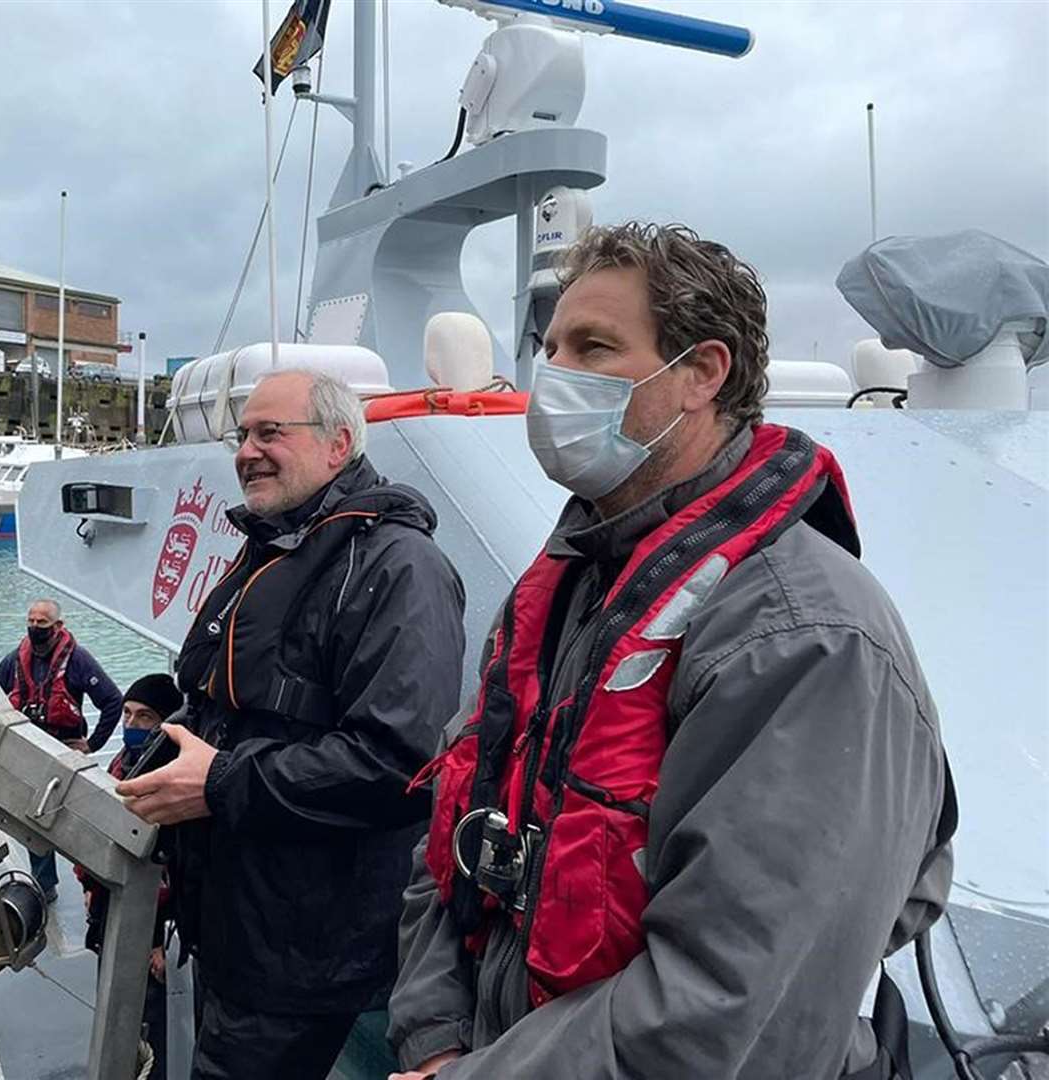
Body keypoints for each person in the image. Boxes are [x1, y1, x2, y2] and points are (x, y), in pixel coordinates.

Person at [388, 222, 955, 1080]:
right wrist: (434, 1039)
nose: (554, 377)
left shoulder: (807, 638)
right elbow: (458, 846)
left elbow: (732, 1008)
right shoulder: (573, 585)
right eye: (551, 348)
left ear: (702, 373)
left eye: (595, 347)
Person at [115, 368, 467, 1080]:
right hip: (230, 928)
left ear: (339, 444)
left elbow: (400, 766)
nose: (247, 450)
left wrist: (216, 784)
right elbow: (224, 704)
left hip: (304, 955)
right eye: (242, 434)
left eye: (270, 431)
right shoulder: (273, 548)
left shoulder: (400, 569)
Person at [76, 672, 184, 1080]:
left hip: (152, 930)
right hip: (112, 910)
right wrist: (92, 887)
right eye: (126, 714)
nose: (132, 725)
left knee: (151, 1026)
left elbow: (183, 871)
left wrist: (164, 945)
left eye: (145, 717)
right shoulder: (124, 764)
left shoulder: (174, 783)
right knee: (113, 1003)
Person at [0, 598, 123, 901]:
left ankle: (95, 883)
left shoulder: (78, 660)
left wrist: (92, 745)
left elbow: (113, 701)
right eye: (32, 621)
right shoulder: (13, 660)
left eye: (43, 622)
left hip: (66, 750)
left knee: (79, 818)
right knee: (33, 818)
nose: (35, 627)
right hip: (30, 751)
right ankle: (45, 884)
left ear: (58, 626)